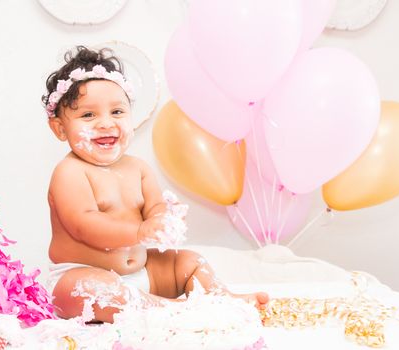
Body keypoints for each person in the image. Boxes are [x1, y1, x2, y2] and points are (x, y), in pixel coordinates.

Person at [42, 46, 268, 322]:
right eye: (88, 115)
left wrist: (163, 221)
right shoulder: (71, 172)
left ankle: (222, 298)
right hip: (82, 274)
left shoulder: (137, 168)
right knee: (90, 290)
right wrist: (141, 231)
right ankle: (176, 311)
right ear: (60, 129)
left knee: (189, 261)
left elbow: (155, 207)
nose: (105, 123)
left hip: (144, 272)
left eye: (116, 112)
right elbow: (84, 225)